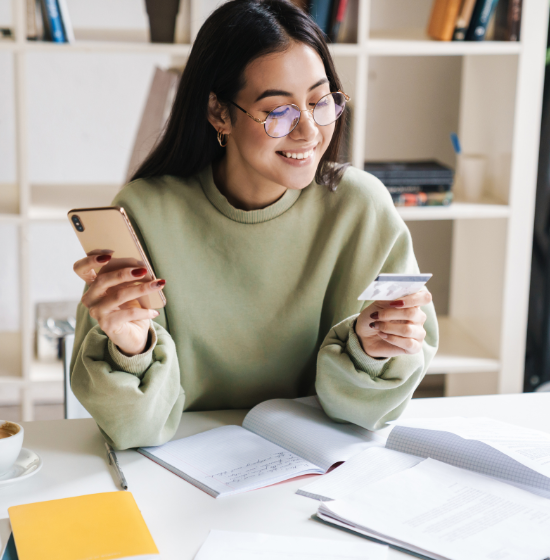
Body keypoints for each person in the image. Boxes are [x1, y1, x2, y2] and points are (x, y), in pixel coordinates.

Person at [70, 0, 438, 450]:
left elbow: (364, 418)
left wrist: (373, 351)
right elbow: (135, 430)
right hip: (179, 468)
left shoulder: (361, 208)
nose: (309, 131)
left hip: (318, 466)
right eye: (278, 111)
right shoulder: (146, 211)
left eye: (321, 102)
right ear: (218, 113)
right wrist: (130, 347)